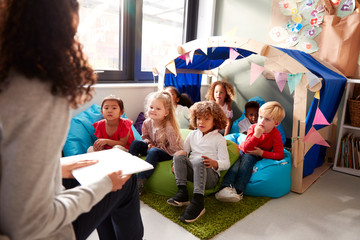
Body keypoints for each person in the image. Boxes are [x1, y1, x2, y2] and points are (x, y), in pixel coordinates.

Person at [0, 1, 143, 240]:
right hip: (42, 232)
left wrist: (56, 168)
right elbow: (25, 223)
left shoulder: (8, 81)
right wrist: (103, 186)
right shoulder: (40, 95)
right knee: (126, 182)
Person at [167, 101, 230, 223]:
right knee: (179, 155)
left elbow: (226, 163)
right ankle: (182, 193)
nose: (201, 122)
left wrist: (214, 163)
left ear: (215, 120)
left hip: (209, 177)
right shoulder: (192, 134)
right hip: (193, 171)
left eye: (206, 119)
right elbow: (184, 152)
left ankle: (198, 202)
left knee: (199, 160)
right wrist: (175, 163)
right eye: (199, 118)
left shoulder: (219, 139)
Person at [215, 101, 285, 202]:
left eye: (267, 119)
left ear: (276, 123)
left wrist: (261, 153)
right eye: (260, 117)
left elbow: (280, 155)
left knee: (247, 159)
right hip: (244, 149)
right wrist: (256, 135)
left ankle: (239, 190)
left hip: (255, 155)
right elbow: (247, 148)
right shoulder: (253, 128)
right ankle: (225, 188)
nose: (261, 121)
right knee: (235, 162)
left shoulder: (275, 134)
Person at [129, 91, 183, 195]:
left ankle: (140, 182)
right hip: (152, 148)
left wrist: (174, 161)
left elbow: (175, 149)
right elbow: (145, 137)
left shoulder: (168, 127)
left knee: (154, 151)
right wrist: (149, 143)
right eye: (151, 107)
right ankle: (128, 173)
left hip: (168, 153)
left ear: (166, 113)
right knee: (136, 143)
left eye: (158, 109)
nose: (153, 110)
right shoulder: (147, 122)